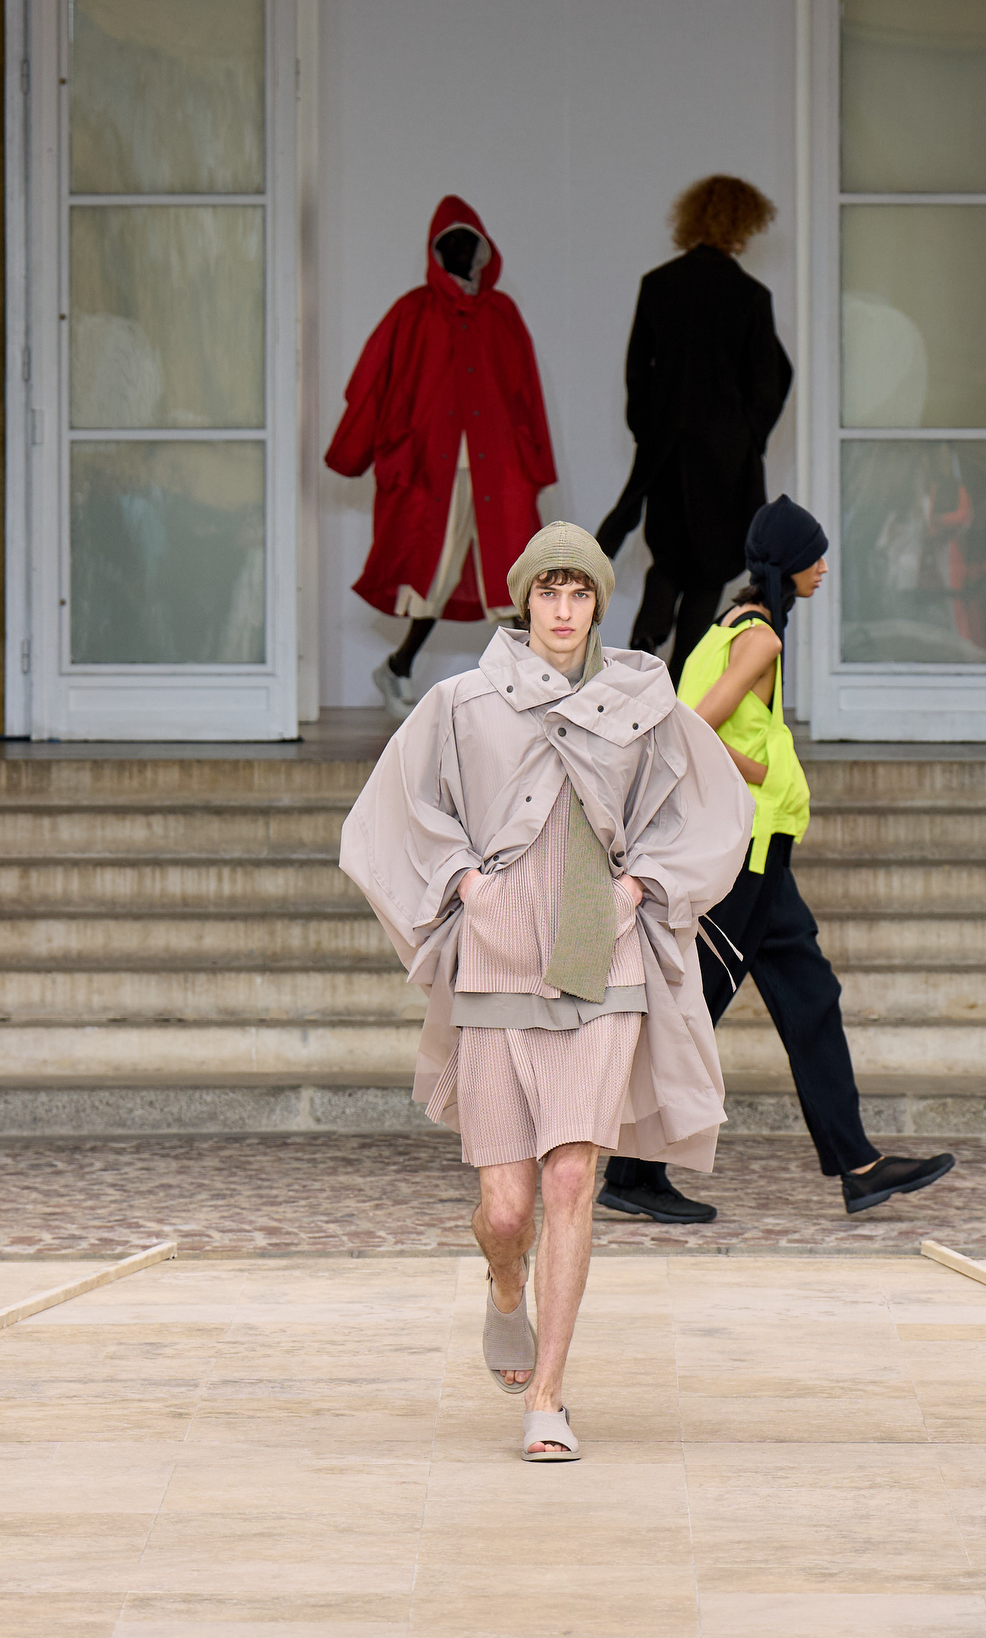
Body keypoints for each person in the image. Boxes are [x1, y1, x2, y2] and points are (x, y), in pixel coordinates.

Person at [339, 522, 751, 1461]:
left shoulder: (641, 701)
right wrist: (465, 882)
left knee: (572, 1177)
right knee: (507, 1208)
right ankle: (503, 1284)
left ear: (598, 602)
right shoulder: (462, 701)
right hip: (496, 955)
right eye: (547, 592)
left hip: (599, 954)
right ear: (524, 601)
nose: (563, 610)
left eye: (580, 593)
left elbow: (713, 802)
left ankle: (551, 1397)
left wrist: (641, 883)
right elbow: (392, 807)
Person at [601, 497, 956, 1224]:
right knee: (692, 1007)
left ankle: (857, 1164)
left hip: (762, 862)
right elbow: (686, 724)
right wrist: (751, 773)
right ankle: (631, 1171)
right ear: (787, 561)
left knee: (808, 1000)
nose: (823, 568)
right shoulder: (759, 638)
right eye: (815, 556)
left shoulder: (730, 624)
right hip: (745, 864)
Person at [328, 196, 558, 722]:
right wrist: (351, 452)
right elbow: (371, 385)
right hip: (435, 470)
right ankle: (400, 665)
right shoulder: (413, 311)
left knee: (516, 574)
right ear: (434, 252)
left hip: (499, 466)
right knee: (431, 576)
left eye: (467, 243)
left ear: (482, 251)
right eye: (448, 244)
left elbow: (528, 392)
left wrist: (536, 463)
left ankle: (525, 684)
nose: (459, 253)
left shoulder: (501, 314)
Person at [597, 176, 794, 681]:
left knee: (668, 554)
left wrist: (648, 427)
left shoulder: (658, 284)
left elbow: (636, 368)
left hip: (667, 448)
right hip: (725, 455)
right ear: (743, 225)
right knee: (712, 564)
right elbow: (772, 379)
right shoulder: (750, 295)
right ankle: (681, 671)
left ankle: (646, 637)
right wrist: (750, 435)